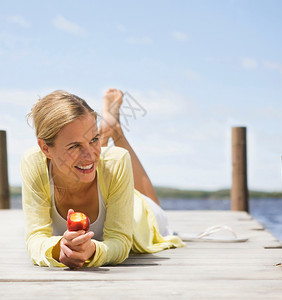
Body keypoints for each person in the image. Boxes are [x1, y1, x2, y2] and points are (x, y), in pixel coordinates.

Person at [21, 88, 184, 269]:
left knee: (145, 198)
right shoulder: (34, 162)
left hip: (139, 214)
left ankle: (114, 130)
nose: (90, 155)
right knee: (95, 162)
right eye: (74, 145)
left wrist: (93, 252)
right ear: (45, 148)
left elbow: (120, 241)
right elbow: (36, 237)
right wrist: (58, 249)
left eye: (94, 139)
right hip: (106, 181)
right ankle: (109, 128)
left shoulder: (118, 160)